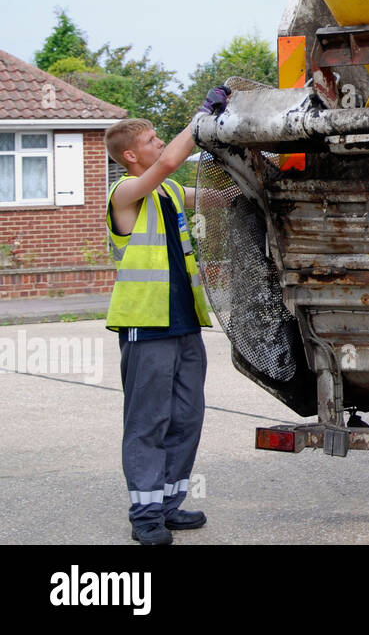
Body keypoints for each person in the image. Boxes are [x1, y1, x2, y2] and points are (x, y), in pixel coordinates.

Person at [104, 87, 229, 545]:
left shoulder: (170, 192)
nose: (159, 144)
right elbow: (170, 163)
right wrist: (200, 120)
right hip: (147, 326)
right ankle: (145, 516)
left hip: (183, 326)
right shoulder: (125, 194)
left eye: (161, 137)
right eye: (153, 139)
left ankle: (170, 504)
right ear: (132, 155)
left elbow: (218, 200)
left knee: (186, 417)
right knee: (147, 422)